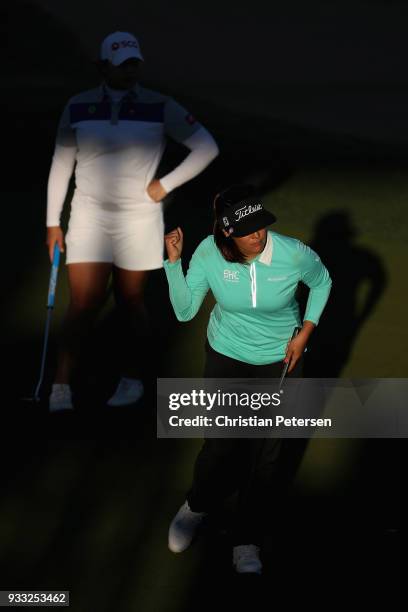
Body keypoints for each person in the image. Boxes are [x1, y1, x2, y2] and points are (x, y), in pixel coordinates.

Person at [46, 31, 219, 411]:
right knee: (84, 302)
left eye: (134, 63)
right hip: (89, 216)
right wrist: (52, 223)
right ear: (104, 65)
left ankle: (132, 380)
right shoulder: (79, 105)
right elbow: (62, 163)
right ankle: (61, 384)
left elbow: (206, 146)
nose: (130, 70)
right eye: (122, 64)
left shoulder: (160, 105)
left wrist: (166, 184)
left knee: (131, 300)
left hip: (139, 219)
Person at [163, 184, 332, 574]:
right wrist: (173, 263)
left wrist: (306, 330)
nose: (259, 235)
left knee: (267, 455)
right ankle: (197, 505)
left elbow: (322, 282)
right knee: (221, 445)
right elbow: (186, 311)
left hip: (280, 361)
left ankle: (247, 538)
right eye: (248, 229)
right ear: (225, 231)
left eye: (262, 226)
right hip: (227, 357)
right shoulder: (207, 253)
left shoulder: (292, 253)